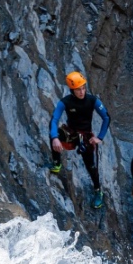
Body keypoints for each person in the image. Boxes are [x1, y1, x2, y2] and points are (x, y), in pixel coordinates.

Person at [49, 71, 111, 208]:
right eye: (78, 89)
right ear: (72, 90)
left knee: (91, 166)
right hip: (71, 132)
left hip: (86, 135)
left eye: (83, 88)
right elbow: (54, 120)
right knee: (55, 134)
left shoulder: (92, 100)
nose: (82, 92)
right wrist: (55, 138)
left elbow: (106, 117)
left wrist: (99, 137)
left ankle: (98, 191)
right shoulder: (65, 102)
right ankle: (56, 163)